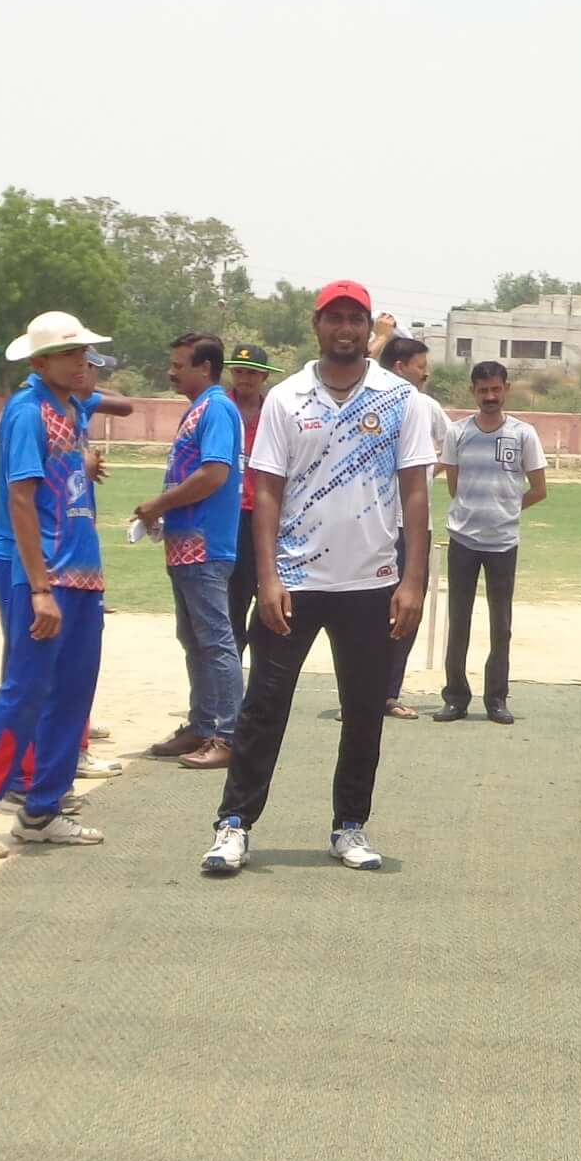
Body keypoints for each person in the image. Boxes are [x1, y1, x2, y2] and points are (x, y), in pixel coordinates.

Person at [200, 282, 433, 878]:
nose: (347, 329)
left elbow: (415, 492)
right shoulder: (286, 398)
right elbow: (267, 490)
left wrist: (412, 582)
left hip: (371, 583)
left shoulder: (398, 398)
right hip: (296, 581)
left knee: (362, 710)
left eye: (357, 318)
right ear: (318, 325)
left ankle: (349, 825)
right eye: (336, 318)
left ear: (366, 327)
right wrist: (269, 577)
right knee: (263, 707)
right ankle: (234, 826)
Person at [0, 311, 116, 856]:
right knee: (24, 691)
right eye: (70, 354)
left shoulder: (70, 408)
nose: (82, 361)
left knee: (72, 694)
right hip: (47, 572)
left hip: (82, 571)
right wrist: (39, 586)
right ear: (40, 361)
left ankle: (43, 808)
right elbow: (20, 500)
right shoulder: (27, 412)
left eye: (83, 353)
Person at [138, 331, 244, 770]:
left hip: (204, 545)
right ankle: (202, 725)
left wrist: (159, 504)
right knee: (195, 640)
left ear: (205, 367)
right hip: (185, 546)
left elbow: (214, 474)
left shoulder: (216, 408)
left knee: (216, 641)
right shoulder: (197, 410)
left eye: (179, 365)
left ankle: (231, 733)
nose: (170, 372)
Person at [433, 359, 546, 721]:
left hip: (503, 543)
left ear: (506, 389)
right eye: (483, 391)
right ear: (473, 392)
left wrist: (507, 509)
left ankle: (496, 699)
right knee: (458, 622)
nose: (490, 396)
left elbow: (539, 489)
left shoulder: (523, 434)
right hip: (463, 540)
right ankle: (455, 697)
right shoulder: (458, 432)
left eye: (496, 389)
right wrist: (473, 510)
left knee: (501, 625)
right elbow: (454, 485)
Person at [376, 332, 452, 718]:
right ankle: (362, 692)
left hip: (414, 525)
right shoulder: (371, 403)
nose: (426, 374)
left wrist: (424, 476)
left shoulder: (427, 407)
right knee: (371, 609)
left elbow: (449, 444)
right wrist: (381, 336)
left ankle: (389, 692)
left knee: (407, 607)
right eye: (421, 367)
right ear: (400, 367)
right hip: (376, 524)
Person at [221, 344, 278, 646]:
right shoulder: (219, 409)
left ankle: (261, 676)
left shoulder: (274, 412)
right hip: (230, 515)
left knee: (270, 593)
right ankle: (232, 678)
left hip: (266, 514)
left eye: (252, 373)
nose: (244, 378)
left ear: (264, 376)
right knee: (233, 599)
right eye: (239, 371)